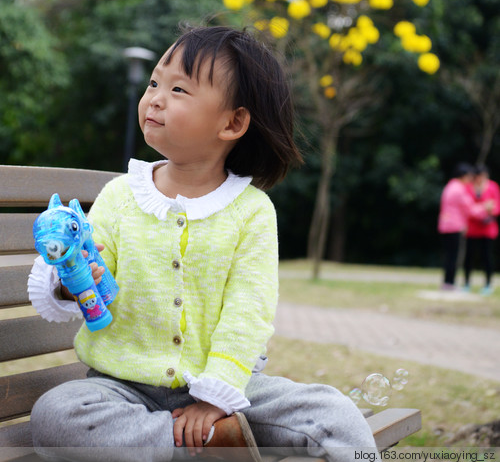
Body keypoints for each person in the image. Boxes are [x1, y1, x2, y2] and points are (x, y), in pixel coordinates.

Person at [28, 25, 376, 462]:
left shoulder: (251, 212)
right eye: (154, 82)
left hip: (229, 389)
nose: (155, 97)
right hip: (121, 390)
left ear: (232, 123)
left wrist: (216, 397)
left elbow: (248, 311)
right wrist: (72, 280)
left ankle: (212, 431)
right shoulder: (121, 196)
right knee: (57, 416)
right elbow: (91, 275)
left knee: (333, 411)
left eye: (178, 89)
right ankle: (211, 445)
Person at [437, 162, 476, 289]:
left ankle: (447, 282)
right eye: (469, 176)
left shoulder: (449, 186)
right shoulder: (459, 189)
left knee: (449, 256)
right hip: (454, 227)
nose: (470, 180)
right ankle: (450, 283)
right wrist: (486, 209)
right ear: (463, 176)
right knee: (453, 257)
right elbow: (470, 208)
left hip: (445, 226)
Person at [464, 164, 500, 295]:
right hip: (472, 228)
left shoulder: (493, 186)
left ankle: (488, 284)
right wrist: (485, 207)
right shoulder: (469, 188)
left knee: (487, 257)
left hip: (488, 229)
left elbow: (497, 207)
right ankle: (466, 283)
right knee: (469, 257)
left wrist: (489, 210)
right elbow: (467, 207)